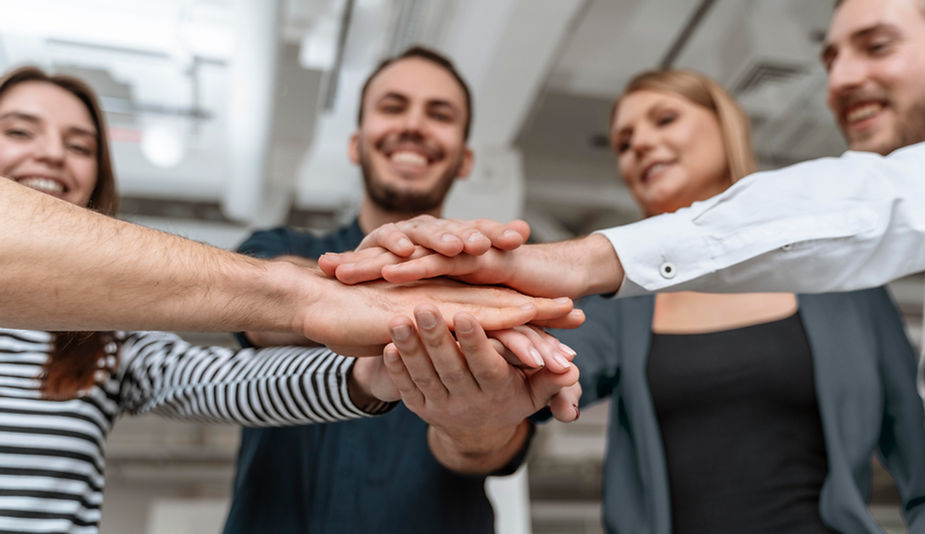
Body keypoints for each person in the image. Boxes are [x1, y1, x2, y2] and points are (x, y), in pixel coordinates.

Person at [400, 69, 925, 533]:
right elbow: (528, 392)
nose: (641, 145)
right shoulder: (620, 306)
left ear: (726, 127)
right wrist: (476, 405)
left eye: (665, 119)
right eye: (624, 142)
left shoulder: (844, 286)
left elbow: (915, 452)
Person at [318, 0, 925, 310]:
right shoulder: (626, 300)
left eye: (877, 46)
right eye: (624, 142)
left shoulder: (839, 271)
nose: (839, 80)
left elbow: (875, 201)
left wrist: (580, 260)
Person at [220, 46, 577, 534]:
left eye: (439, 114)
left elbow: (505, 446)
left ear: (465, 159)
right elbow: (261, 302)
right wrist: (394, 287)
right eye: (393, 107)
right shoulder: (278, 250)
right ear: (355, 144)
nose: (413, 125)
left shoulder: (504, 291)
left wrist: (476, 431)